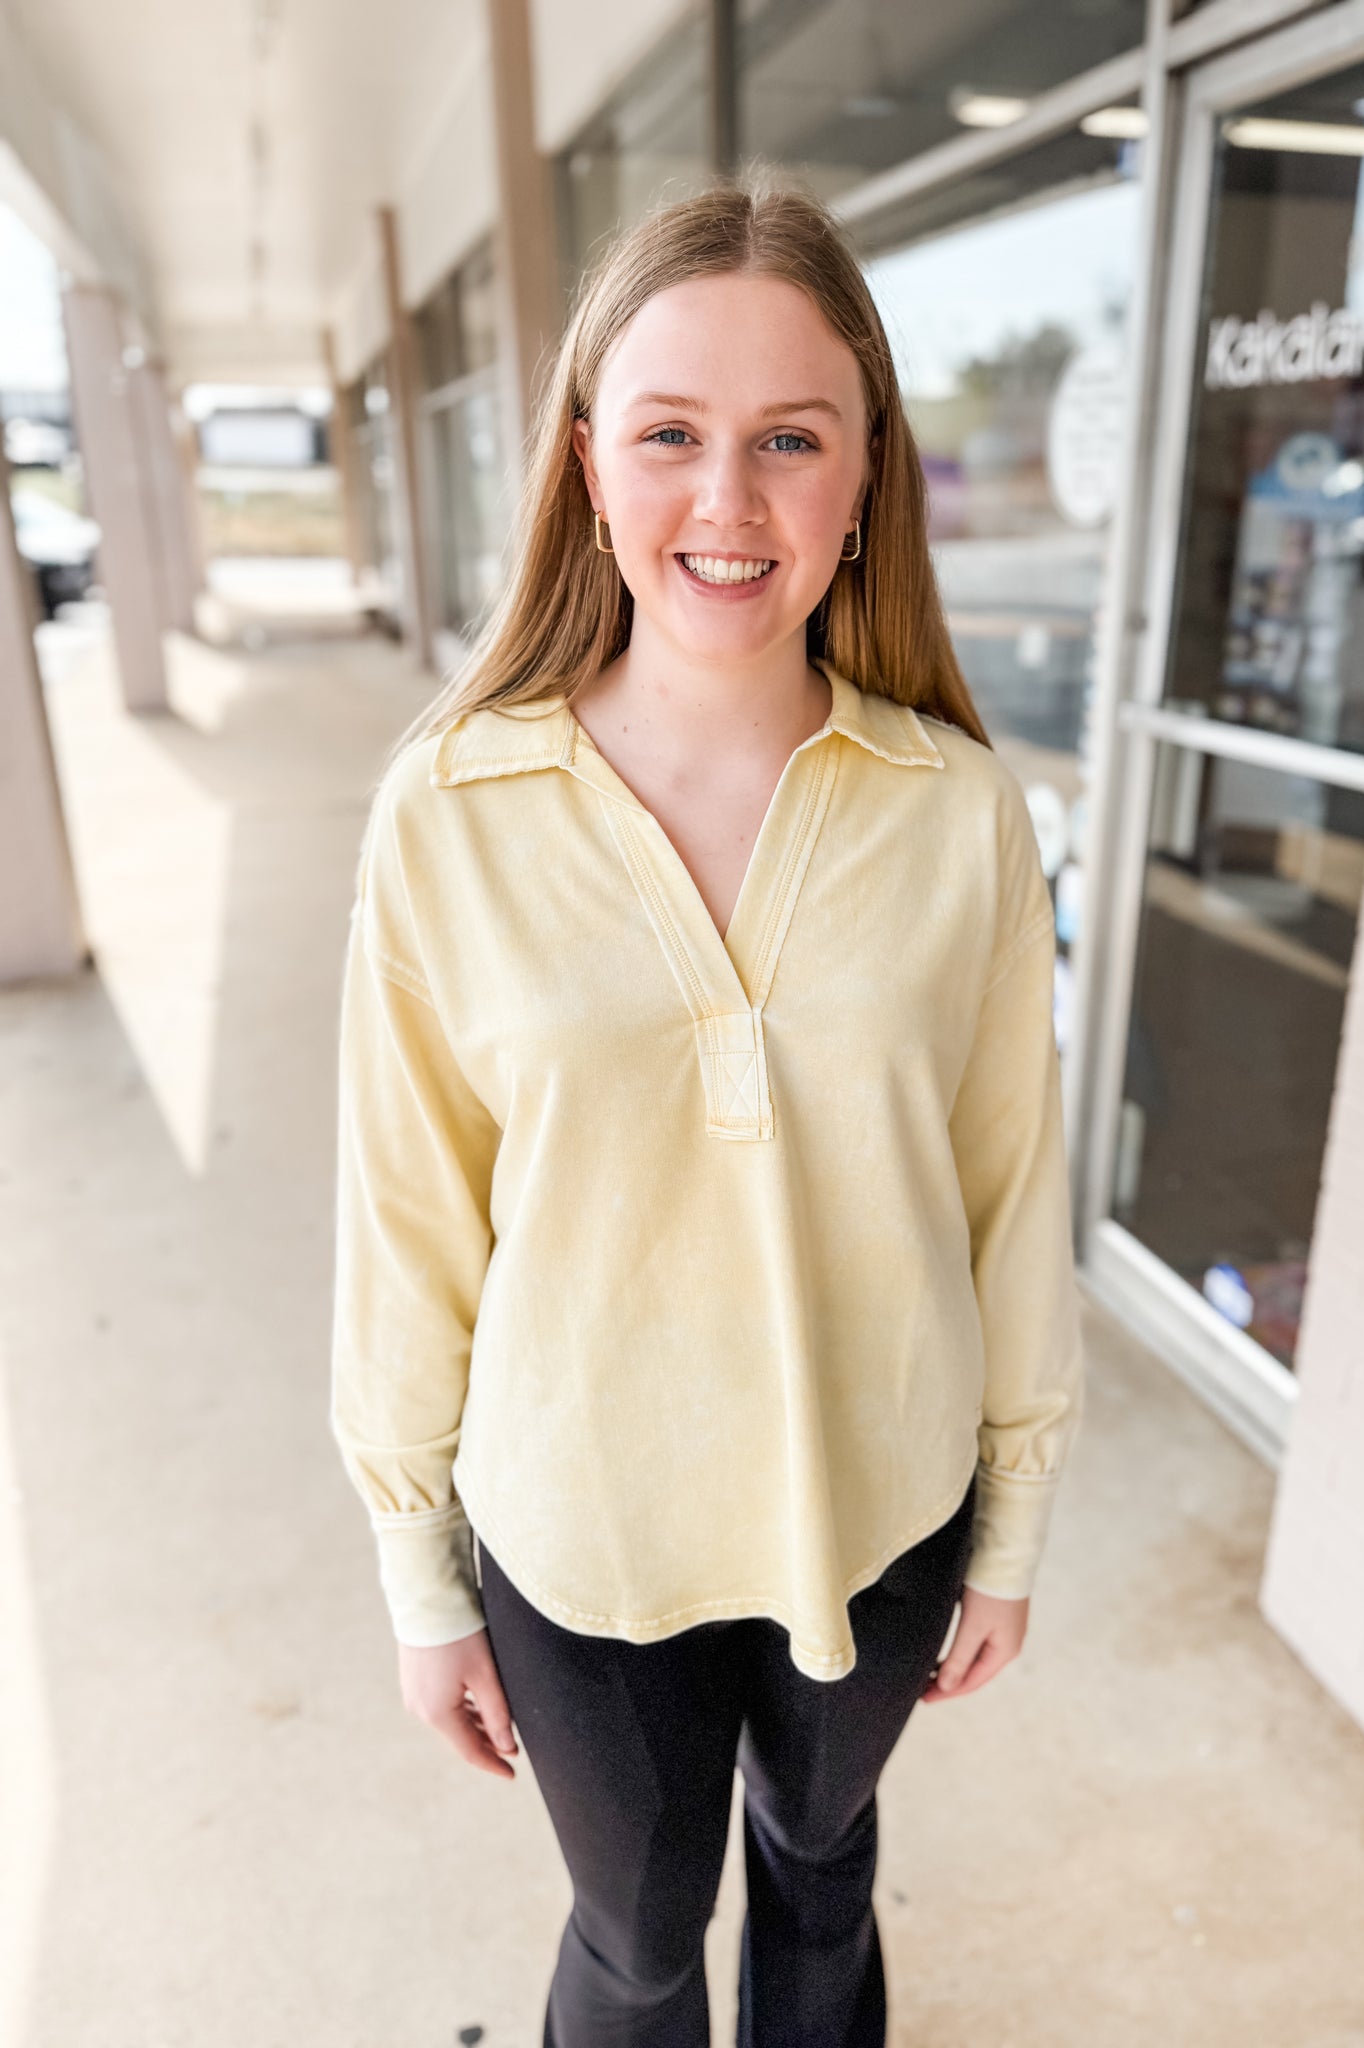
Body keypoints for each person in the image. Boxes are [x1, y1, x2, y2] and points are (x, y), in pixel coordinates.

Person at [330, 170, 1086, 2048]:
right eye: (670, 434)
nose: (727, 502)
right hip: (586, 1542)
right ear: (592, 463)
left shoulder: (961, 815)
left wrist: (1007, 1528)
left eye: (789, 440)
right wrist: (422, 1573)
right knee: (645, 1938)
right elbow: (407, 1224)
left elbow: (1012, 1197)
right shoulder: (451, 807)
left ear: (862, 478)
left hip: (882, 1509)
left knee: (822, 1882)